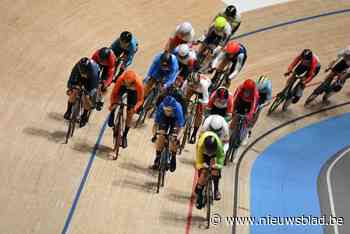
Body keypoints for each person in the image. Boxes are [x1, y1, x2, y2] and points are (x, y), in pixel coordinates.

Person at [108, 70, 144, 148]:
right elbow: (114, 94)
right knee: (115, 102)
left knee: (130, 113)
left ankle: (124, 136)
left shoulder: (138, 83)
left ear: (133, 81)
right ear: (124, 79)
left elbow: (140, 100)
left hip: (133, 92)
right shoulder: (121, 79)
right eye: (126, 82)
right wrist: (112, 105)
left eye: (129, 83)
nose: (127, 84)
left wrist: (135, 108)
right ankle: (112, 114)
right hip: (122, 87)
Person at [151, 96, 185, 172]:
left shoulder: (178, 109)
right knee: (161, 135)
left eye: (170, 110)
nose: (168, 112)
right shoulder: (161, 107)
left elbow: (181, 128)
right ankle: (158, 157)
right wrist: (154, 135)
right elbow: (155, 125)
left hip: (175, 120)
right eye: (166, 110)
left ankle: (173, 157)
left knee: (174, 138)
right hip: (164, 119)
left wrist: (178, 138)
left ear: (173, 108)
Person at [64, 57, 100, 127]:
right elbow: (71, 79)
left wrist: (89, 94)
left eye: (84, 70)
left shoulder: (93, 71)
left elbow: (93, 87)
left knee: (86, 97)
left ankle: (84, 115)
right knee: (74, 91)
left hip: (91, 79)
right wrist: (71, 87)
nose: (83, 71)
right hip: (80, 77)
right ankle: (68, 111)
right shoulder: (77, 67)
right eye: (81, 69)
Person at [195, 132, 225, 209]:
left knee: (215, 170)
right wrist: (201, 165)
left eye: (211, 152)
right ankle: (200, 193)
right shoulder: (201, 145)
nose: (209, 154)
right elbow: (198, 162)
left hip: (215, 155)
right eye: (208, 152)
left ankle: (216, 190)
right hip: (203, 154)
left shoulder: (219, 146)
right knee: (203, 172)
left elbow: (221, 159)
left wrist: (218, 166)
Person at [182, 71, 211, 144]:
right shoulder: (186, 82)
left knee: (199, 111)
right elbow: (182, 93)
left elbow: (206, 101)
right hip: (195, 87)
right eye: (191, 84)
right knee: (184, 99)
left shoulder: (204, 85)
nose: (193, 86)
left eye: (195, 85)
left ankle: (194, 134)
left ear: (198, 82)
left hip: (203, 91)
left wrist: (201, 102)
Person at [230, 79, 259, 145]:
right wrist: (232, 110)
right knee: (234, 117)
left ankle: (245, 135)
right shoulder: (240, 88)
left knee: (248, 121)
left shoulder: (255, 93)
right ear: (244, 87)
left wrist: (250, 115)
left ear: (252, 90)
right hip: (240, 101)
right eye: (246, 90)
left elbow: (253, 106)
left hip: (249, 104)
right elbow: (234, 99)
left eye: (249, 90)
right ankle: (230, 132)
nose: (247, 92)